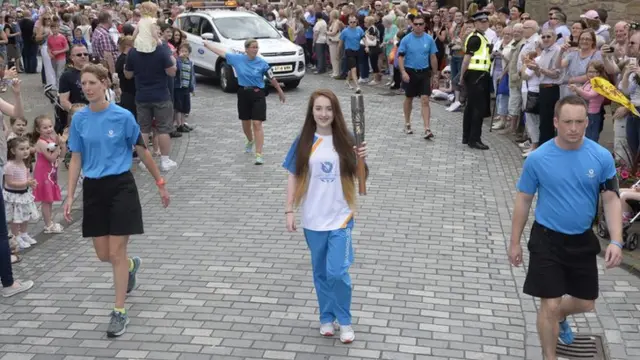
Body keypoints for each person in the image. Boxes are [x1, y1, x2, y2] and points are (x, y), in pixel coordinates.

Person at [508, 95, 623, 359]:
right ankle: (550, 355)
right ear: (556, 122)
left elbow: (611, 198)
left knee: (586, 303)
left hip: (581, 240)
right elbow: (524, 199)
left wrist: (616, 239)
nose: (574, 128)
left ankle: (559, 315)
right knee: (549, 304)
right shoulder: (538, 158)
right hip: (547, 240)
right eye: (568, 122)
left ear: (587, 122)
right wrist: (514, 241)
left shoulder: (601, 157)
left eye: (580, 122)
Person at [64, 64, 170, 338]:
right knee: (103, 255)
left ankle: (119, 311)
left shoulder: (123, 117)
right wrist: (70, 193)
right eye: (83, 84)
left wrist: (160, 183)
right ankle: (132, 266)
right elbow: (76, 157)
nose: (86, 88)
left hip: (121, 186)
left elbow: (142, 151)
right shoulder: (79, 120)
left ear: (104, 84)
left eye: (91, 83)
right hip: (94, 189)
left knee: (116, 253)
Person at [282, 89, 367, 344]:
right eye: (318, 108)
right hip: (313, 218)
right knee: (320, 272)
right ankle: (326, 318)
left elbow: (361, 177)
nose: (323, 114)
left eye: (328, 109)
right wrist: (289, 209)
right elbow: (293, 175)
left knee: (337, 272)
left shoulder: (347, 139)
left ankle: (345, 321)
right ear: (312, 112)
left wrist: (362, 159)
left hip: (340, 217)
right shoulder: (304, 141)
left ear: (335, 112)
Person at [203, 38, 285, 165]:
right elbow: (221, 52)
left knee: (257, 123)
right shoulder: (237, 59)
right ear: (246, 49)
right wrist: (208, 45)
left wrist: (279, 90)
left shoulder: (262, 63)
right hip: (243, 93)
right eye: (252, 47)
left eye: (256, 47)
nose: (255, 49)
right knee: (245, 122)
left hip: (258, 93)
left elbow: (271, 77)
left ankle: (259, 154)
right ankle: (250, 140)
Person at [397, 13, 438, 138]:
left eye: (421, 24)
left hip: (424, 72)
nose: (419, 26)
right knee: (409, 98)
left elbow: (433, 57)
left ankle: (427, 128)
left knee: (425, 100)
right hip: (410, 72)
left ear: (424, 25)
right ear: (412, 25)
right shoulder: (406, 39)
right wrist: (403, 72)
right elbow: (400, 57)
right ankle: (407, 123)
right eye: (416, 24)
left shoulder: (429, 39)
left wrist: (435, 75)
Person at [459, 11, 492, 150]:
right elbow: (466, 59)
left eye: (486, 21)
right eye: (481, 22)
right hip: (476, 76)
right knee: (477, 109)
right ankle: (474, 139)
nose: (484, 24)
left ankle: (467, 137)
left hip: (478, 75)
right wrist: (461, 77)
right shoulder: (476, 38)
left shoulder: (481, 37)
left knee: (471, 107)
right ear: (475, 23)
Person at [4, 136, 40, 249]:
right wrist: (25, 183)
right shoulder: (9, 165)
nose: (25, 151)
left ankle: (24, 234)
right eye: (21, 149)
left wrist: (31, 182)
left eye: (27, 148)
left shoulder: (25, 163)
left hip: (24, 194)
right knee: (16, 218)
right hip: (14, 196)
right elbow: (10, 183)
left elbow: (26, 176)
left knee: (25, 215)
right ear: (13, 151)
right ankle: (16, 236)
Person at [31, 114, 64, 234]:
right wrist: (58, 145)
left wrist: (61, 144)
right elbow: (51, 157)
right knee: (46, 199)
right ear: (38, 130)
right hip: (44, 173)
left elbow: (61, 155)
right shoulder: (41, 142)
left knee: (49, 199)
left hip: (51, 173)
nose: (49, 129)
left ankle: (50, 221)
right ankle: (48, 224)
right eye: (45, 128)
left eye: (50, 126)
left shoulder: (50, 140)